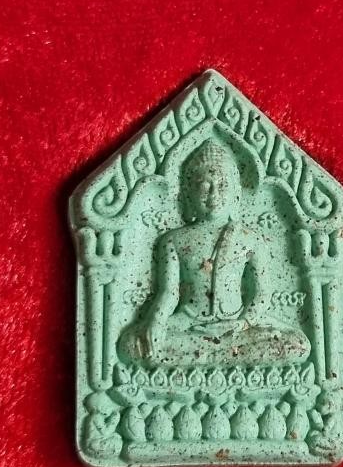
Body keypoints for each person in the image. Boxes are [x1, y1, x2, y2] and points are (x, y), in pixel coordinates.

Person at [119, 139, 310, 367]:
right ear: (189, 193)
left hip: (236, 326)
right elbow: (169, 293)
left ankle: (202, 363)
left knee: (297, 344)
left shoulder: (250, 239)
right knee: (131, 345)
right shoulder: (174, 240)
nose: (213, 194)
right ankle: (223, 363)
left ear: (236, 193)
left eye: (222, 185)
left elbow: (261, 295)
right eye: (204, 186)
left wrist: (241, 323)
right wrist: (156, 322)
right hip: (189, 324)